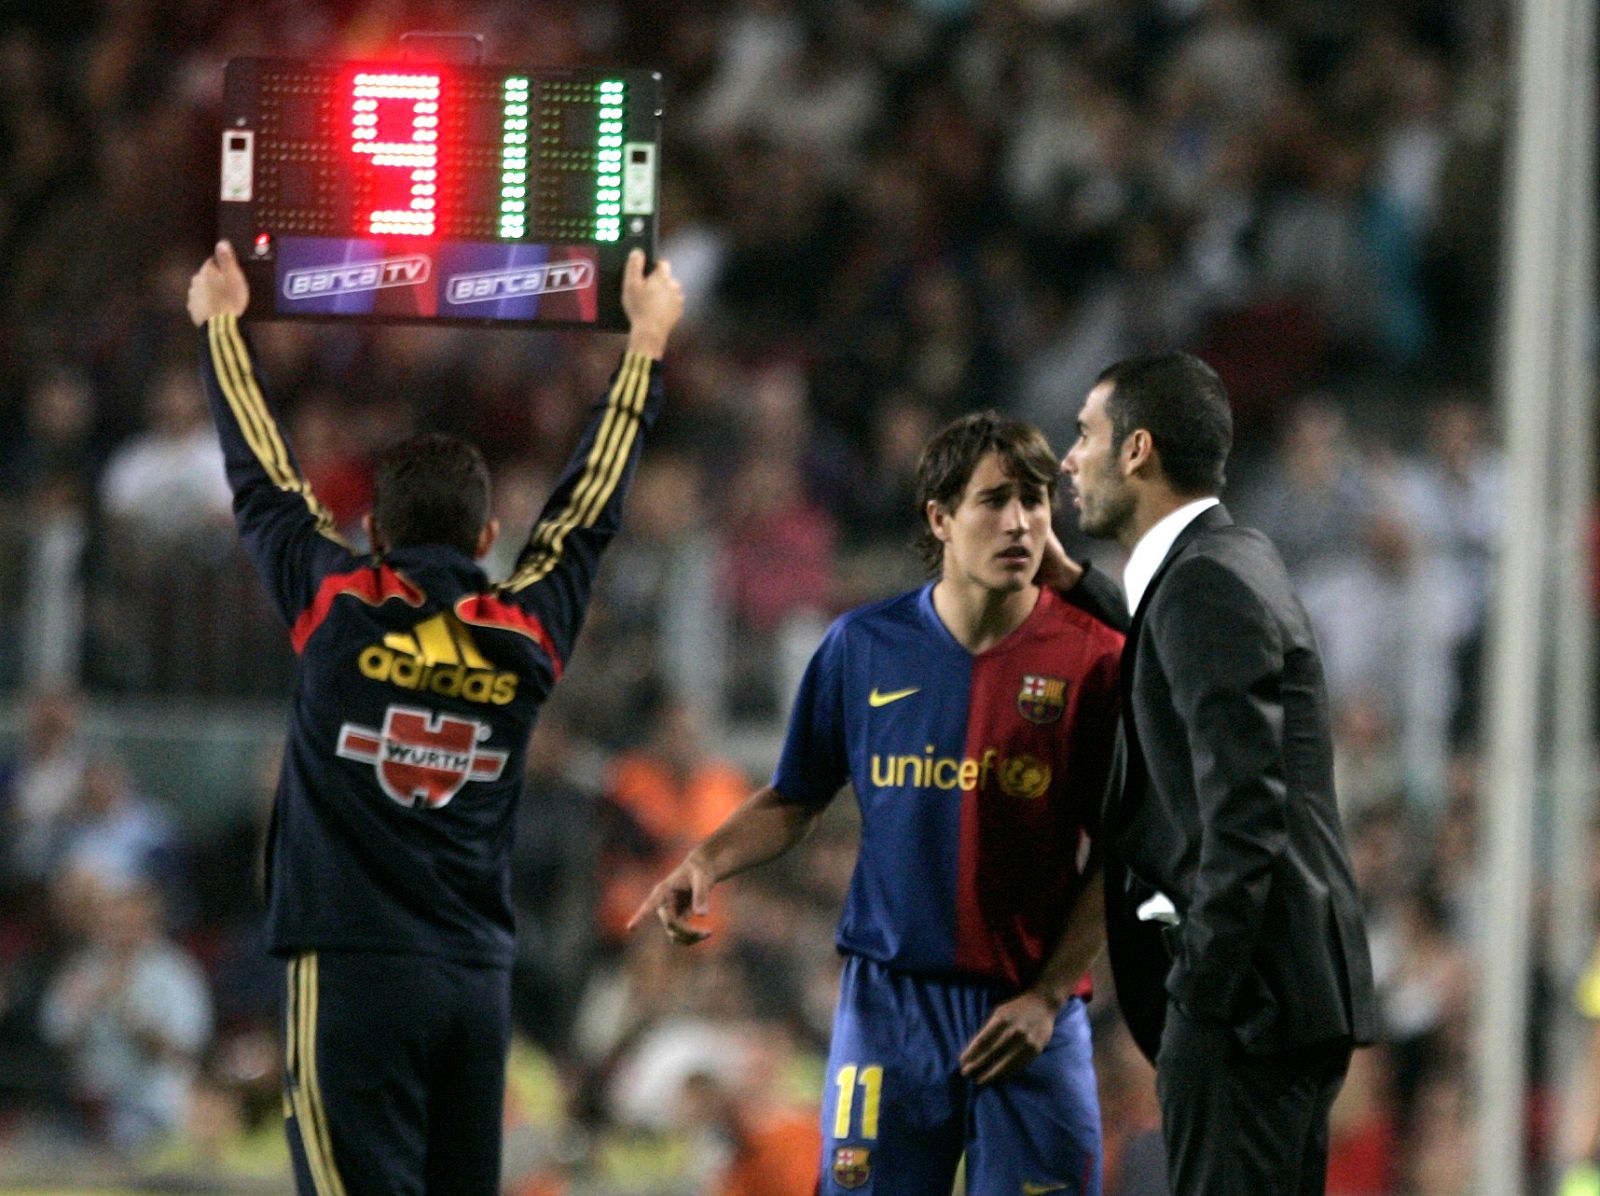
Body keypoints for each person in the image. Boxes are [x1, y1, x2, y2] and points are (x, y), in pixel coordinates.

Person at [186, 240, 683, 1196]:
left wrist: (219, 327)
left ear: (372, 532)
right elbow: (589, 506)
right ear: (489, 540)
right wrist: (646, 347)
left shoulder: (339, 608)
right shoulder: (525, 630)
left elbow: (263, 478)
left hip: (350, 973)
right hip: (473, 980)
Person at [631, 411, 1123, 1195]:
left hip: (1028, 1015)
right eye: (995, 500)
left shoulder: (1096, 662)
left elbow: (1126, 849)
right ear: (940, 517)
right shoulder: (862, 647)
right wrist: (708, 860)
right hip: (888, 1010)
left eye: (1036, 502)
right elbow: (797, 795)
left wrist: (1049, 993)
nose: (1022, 522)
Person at [1059, 352, 1377, 1196]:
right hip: (1277, 994)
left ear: (1137, 451)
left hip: (1249, 1009)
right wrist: (1074, 586)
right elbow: (1167, 654)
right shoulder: (1223, 563)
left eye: (1085, 435)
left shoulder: (1205, 585)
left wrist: (1201, 999)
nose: (1068, 460)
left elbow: (1244, 812)